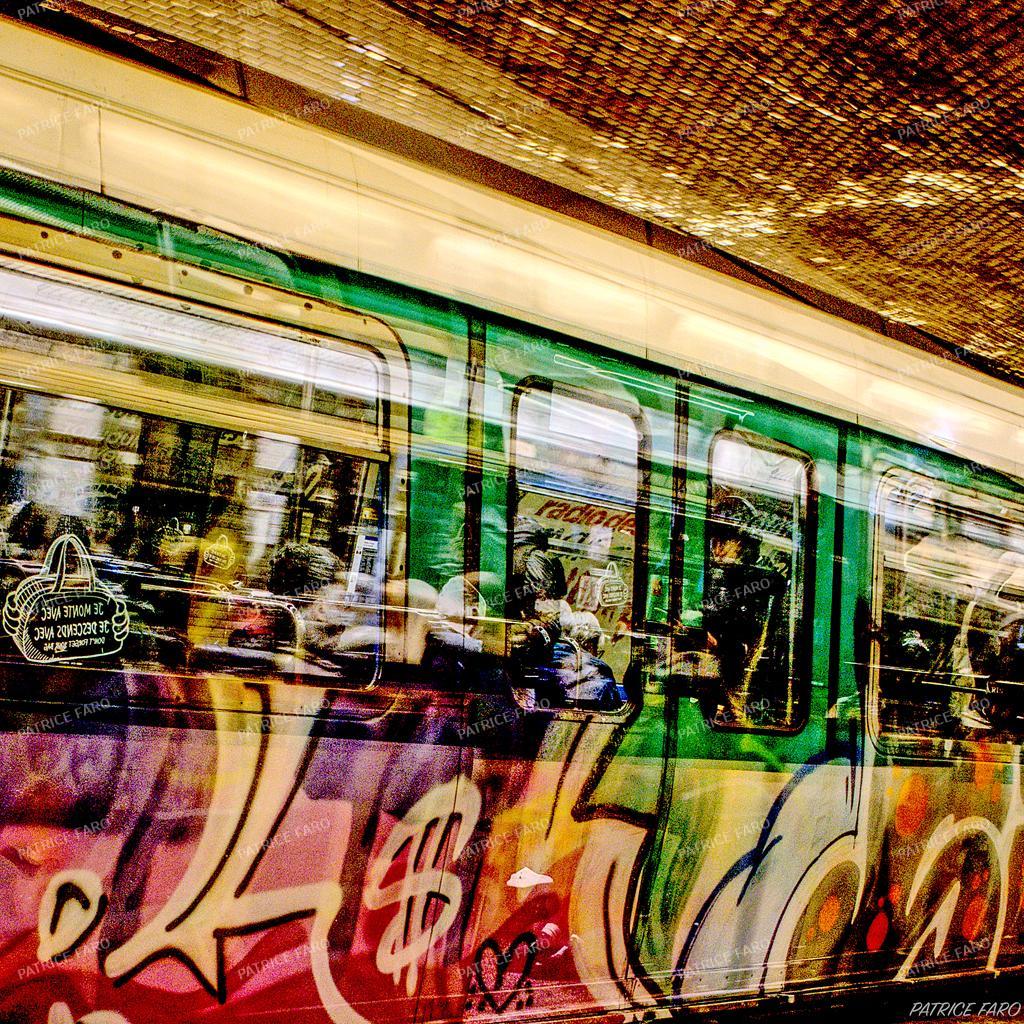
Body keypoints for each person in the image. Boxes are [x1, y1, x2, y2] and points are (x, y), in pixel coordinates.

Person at [702, 494, 789, 727]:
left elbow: (755, 643)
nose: (717, 549)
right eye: (714, 540)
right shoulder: (708, 578)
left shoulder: (765, 583)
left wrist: (718, 645)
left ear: (744, 544)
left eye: (726, 541)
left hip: (743, 693)